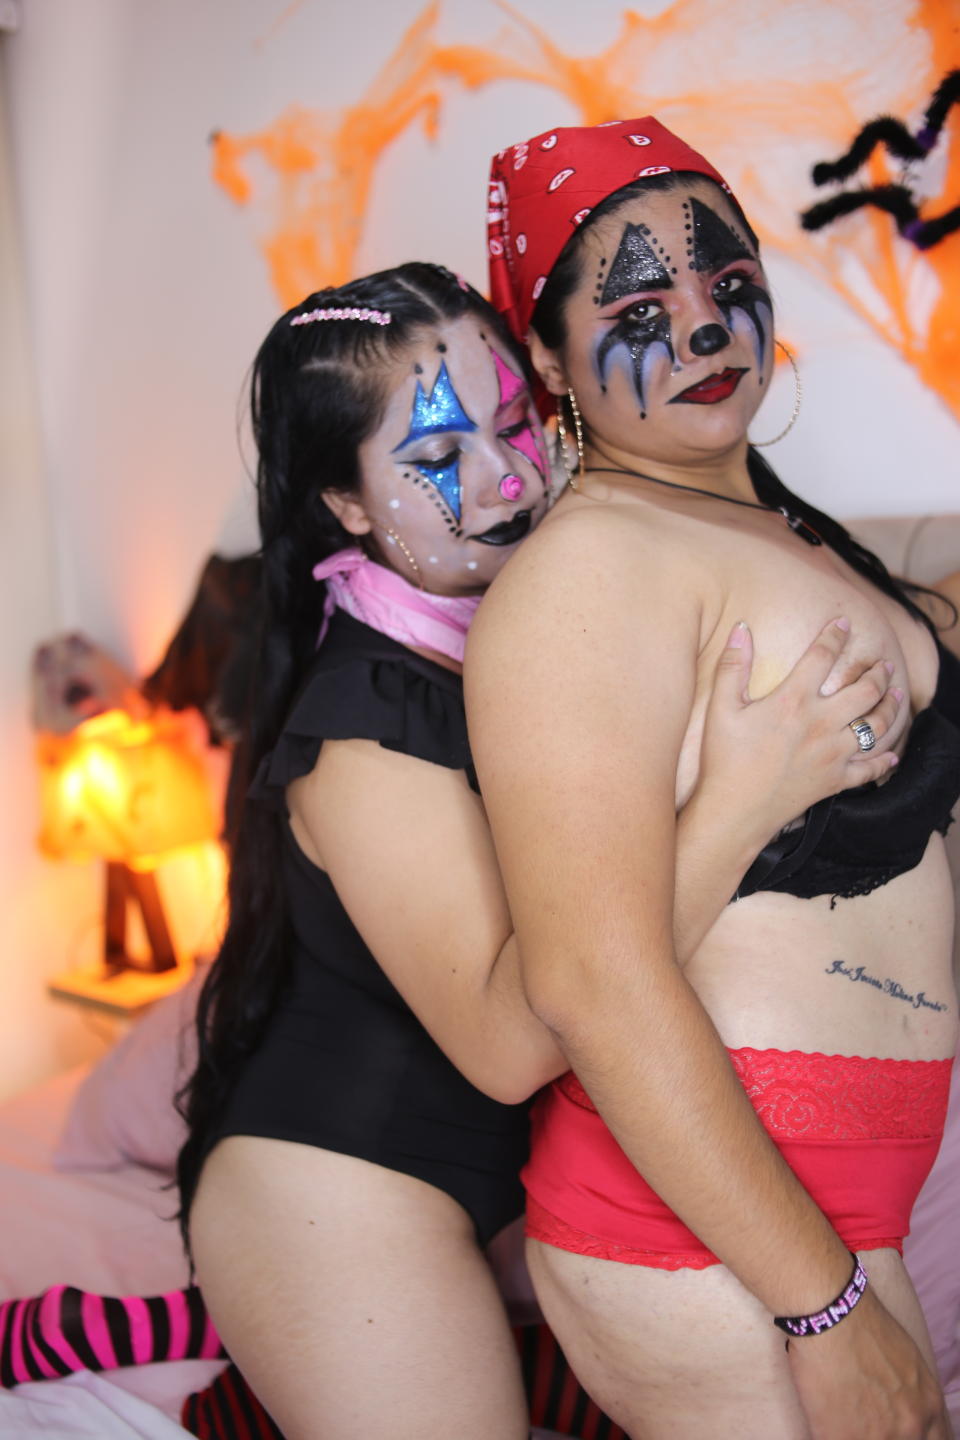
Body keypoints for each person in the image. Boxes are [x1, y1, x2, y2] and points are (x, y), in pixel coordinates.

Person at [163, 261, 902, 1440]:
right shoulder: (361, 735)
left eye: (513, 421)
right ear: (345, 504)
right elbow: (515, 1045)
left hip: (526, 1179)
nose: (507, 476)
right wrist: (745, 798)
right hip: (342, 1177)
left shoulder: (573, 615)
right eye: (437, 457)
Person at [468, 118, 960, 1439]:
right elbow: (589, 978)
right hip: (716, 1234)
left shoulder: (780, 532)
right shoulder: (587, 572)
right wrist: (825, 1309)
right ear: (546, 357)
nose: (702, 325)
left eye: (728, 280)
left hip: (836, 1211)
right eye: (638, 308)